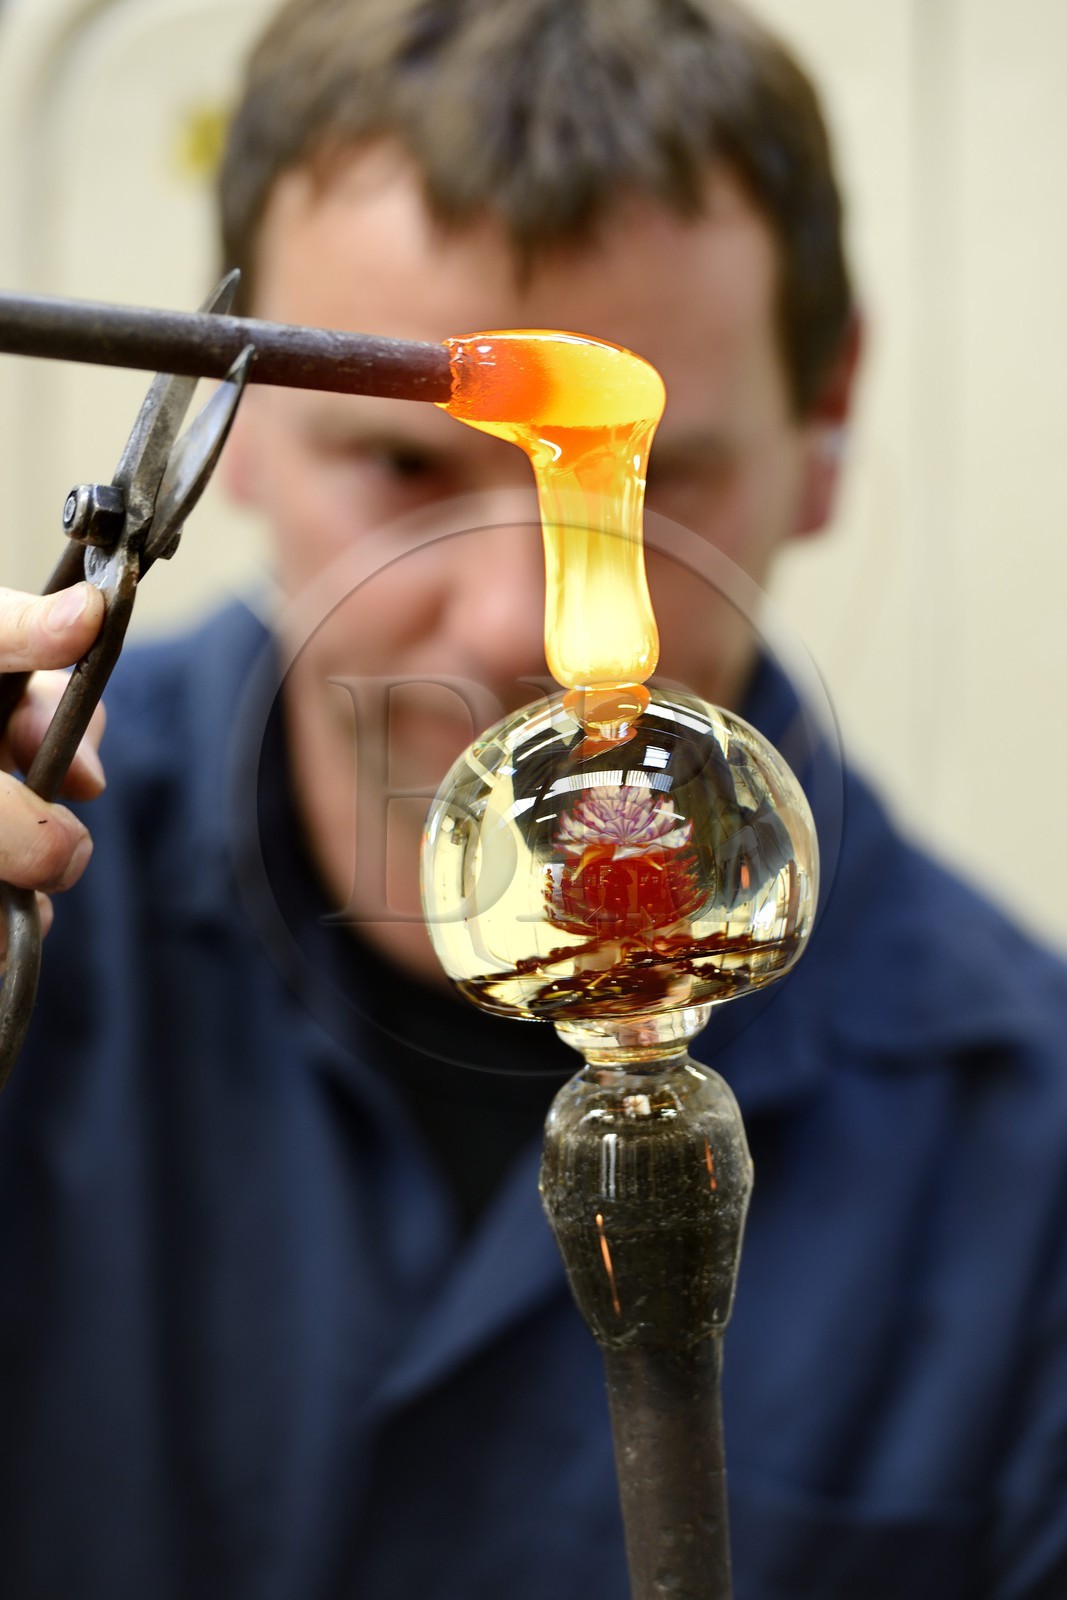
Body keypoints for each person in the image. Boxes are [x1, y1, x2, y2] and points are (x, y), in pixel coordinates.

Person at [1, 2, 1066, 1597]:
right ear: (246, 419)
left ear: (826, 415)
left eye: (652, 479)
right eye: (406, 472)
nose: (516, 626)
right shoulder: (42, 906)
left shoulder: (1030, 1154)